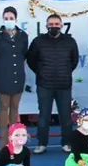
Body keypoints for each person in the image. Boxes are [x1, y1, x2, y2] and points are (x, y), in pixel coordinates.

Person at [27, 14, 79, 154]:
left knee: (66, 116)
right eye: (51, 24)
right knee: (44, 116)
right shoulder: (38, 41)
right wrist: (41, 72)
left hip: (64, 85)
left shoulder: (70, 41)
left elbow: (74, 61)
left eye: (57, 24)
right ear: (46, 26)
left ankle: (67, 143)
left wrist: (65, 72)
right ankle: (42, 144)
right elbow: (31, 60)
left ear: (62, 26)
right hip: (45, 85)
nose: (54, 27)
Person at [0, 6, 29, 148]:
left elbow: (24, 54)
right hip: (2, 77)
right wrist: (0, 70)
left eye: (11, 18)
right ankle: (4, 142)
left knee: (15, 108)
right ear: (3, 19)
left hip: (17, 76)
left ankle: (15, 140)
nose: (9, 20)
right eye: (6, 18)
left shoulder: (23, 36)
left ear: (16, 19)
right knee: (4, 107)